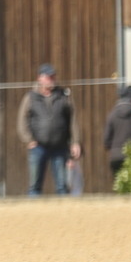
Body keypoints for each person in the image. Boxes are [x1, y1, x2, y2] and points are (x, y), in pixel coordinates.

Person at [17, 63, 81, 196]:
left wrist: (75, 142)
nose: (51, 79)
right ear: (39, 78)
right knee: (34, 186)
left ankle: (63, 214)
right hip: (38, 147)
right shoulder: (30, 97)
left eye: (53, 76)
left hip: (60, 147)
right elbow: (22, 120)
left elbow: (73, 120)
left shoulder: (64, 96)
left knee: (62, 186)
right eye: (48, 77)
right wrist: (28, 139)